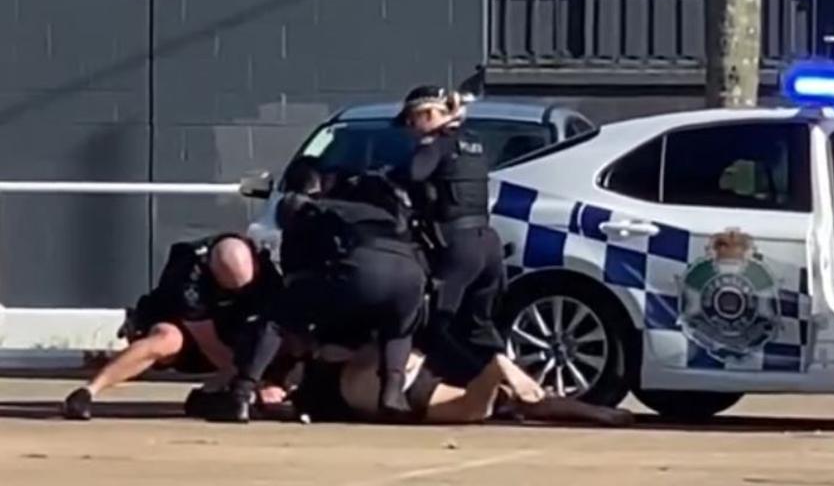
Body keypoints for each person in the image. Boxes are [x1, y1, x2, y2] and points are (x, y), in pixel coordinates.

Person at [211, 161, 429, 423]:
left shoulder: (319, 210)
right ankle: (392, 397)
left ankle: (241, 395)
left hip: (359, 270)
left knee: (277, 320)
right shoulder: (388, 212)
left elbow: (296, 268)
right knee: (397, 330)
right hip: (410, 275)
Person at [62, 234, 283, 421]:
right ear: (212, 269)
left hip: (235, 330)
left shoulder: (265, 271)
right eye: (229, 288)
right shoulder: (187, 275)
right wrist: (251, 384)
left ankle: (212, 393)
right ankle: (88, 392)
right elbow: (210, 345)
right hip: (190, 332)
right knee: (167, 339)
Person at [395, 86, 507, 387]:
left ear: (429, 114)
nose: (410, 129)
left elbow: (413, 174)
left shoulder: (436, 144)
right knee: (478, 327)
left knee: (437, 326)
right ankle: (511, 379)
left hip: (458, 247)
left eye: (412, 120)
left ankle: (479, 384)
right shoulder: (475, 143)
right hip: (488, 244)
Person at [293, 344, 633, 427]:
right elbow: (477, 406)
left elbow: (543, 402)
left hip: (392, 382)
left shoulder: (503, 401)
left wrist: (601, 413)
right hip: (401, 386)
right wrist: (500, 370)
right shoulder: (480, 405)